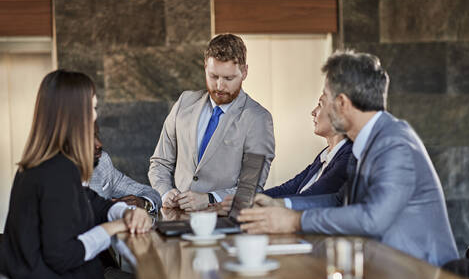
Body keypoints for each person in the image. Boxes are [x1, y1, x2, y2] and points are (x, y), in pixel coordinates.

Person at [238, 50, 459, 266]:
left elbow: (371, 219)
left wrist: (294, 221)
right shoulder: (365, 142)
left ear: (342, 103)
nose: (318, 108)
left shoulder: (395, 144)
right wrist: (281, 204)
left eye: (325, 98)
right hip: (385, 270)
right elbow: (338, 200)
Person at [0, 70, 151, 279]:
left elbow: (92, 202)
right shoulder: (56, 171)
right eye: (92, 108)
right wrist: (116, 226)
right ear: (74, 115)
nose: (95, 116)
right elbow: (64, 256)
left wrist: (126, 212)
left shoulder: (43, 166)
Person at [149, 33, 275, 211]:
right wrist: (164, 192)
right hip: (175, 220)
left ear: (244, 72)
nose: (220, 86)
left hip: (224, 224)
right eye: (213, 76)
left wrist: (209, 199)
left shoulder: (258, 119)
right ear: (205, 67)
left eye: (229, 78)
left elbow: (251, 187)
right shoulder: (184, 102)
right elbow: (160, 162)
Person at [263, 99, 352, 198]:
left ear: (339, 112)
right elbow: (288, 188)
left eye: (320, 105)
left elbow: (311, 198)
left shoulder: (348, 156)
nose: (313, 112)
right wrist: (250, 200)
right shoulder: (325, 154)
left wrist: (264, 204)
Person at [90, 122, 162, 213]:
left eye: (96, 135)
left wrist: (143, 203)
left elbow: (151, 193)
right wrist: (111, 209)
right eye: (89, 138)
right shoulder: (67, 176)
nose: (99, 144)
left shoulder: (102, 162)